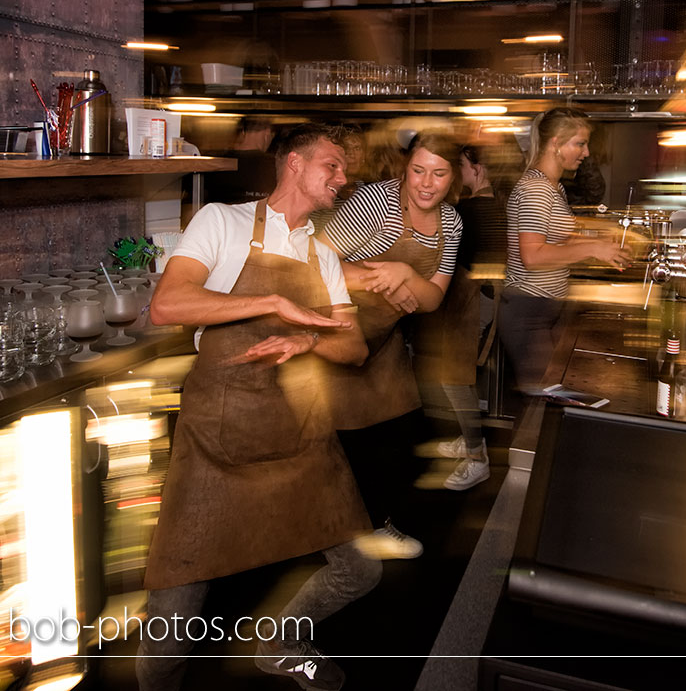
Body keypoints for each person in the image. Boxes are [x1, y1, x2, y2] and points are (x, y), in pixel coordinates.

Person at [138, 123, 380, 691]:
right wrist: (272, 301)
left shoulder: (322, 253)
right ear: (294, 163)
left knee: (361, 570)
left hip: (298, 436)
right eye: (334, 165)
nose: (344, 179)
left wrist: (309, 340)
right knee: (175, 605)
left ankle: (280, 637)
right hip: (217, 439)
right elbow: (168, 304)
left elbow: (355, 345)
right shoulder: (219, 222)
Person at [321, 130, 464, 554]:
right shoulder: (376, 203)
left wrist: (405, 276)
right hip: (337, 332)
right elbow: (316, 260)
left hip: (385, 341)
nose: (426, 182)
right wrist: (380, 278)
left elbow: (434, 298)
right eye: (418, 170)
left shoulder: (452, 223)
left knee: (398, 437)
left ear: (453, 177)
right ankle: (336, 539)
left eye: (439, 173)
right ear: (406, 167)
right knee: (341, 443)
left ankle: (374, 528)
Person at [499, 107, 630, 394]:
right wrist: (593, 247)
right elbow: (532, 256)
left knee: (550, 403)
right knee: (543, 407)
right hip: (527, 312)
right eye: (580, 144)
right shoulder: (536, 190)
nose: (585, 153)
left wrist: (603, 240)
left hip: (542, 310)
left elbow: (560, 241)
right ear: (556, 143)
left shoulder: (552, 187)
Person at [420, 142, 509, 490]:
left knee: (454, 380)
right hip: (482, 299)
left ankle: (477, 457)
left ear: (478, 168)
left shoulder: (468, 211)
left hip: (472, 301)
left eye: (461, 166)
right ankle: (468, 438)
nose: (458, 172)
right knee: (457, 378)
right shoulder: (493, 204)